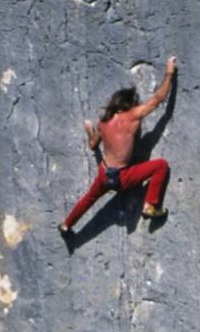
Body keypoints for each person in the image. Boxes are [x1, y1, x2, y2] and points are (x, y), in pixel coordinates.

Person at [59, 56, 177, 236]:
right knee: (160, 166)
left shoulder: (103, 123)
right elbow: (158, 99)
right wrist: (169, 73)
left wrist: (90, 131)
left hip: (105, 174)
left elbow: (92, 145)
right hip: (123, 177)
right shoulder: (131, 116)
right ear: (127, 105)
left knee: (89, 198)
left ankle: (66, 224)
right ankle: (150, 205)